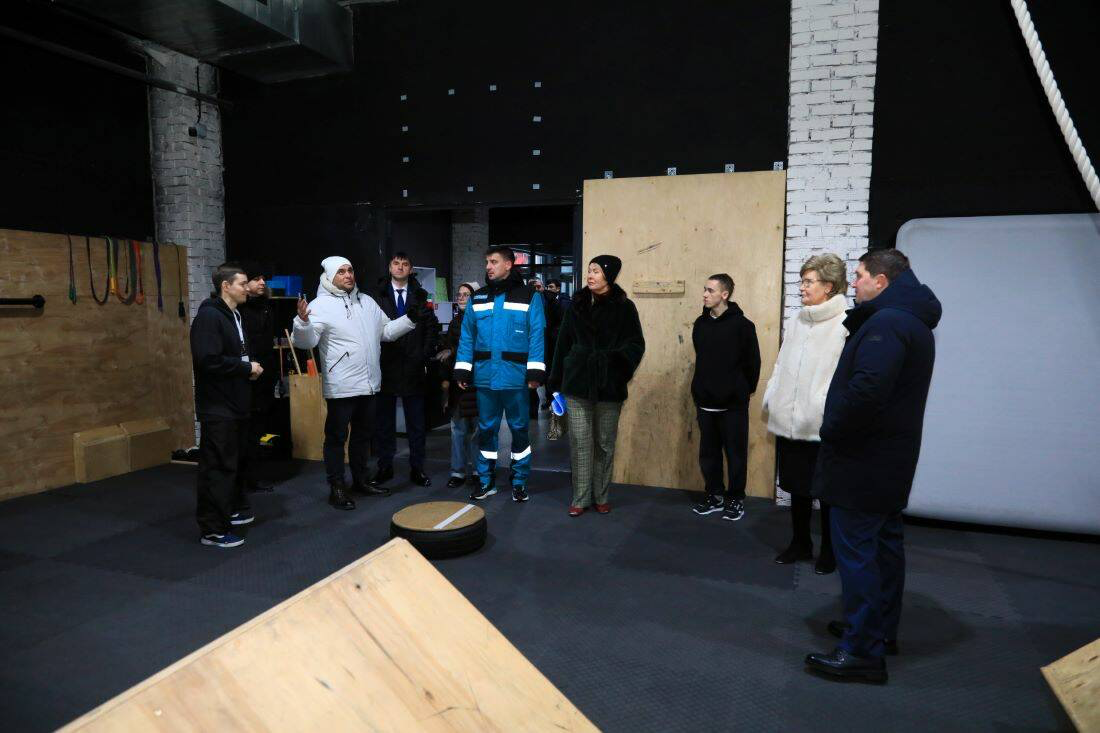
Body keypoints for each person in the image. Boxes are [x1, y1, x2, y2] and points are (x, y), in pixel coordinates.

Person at [804, 248, 941, 684]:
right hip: (888, 460)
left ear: (881, 281)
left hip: (863, 461)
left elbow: (866, 392)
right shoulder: (910, 321)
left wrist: (832, 429)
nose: (855, 283)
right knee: (884, 547)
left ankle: (862, 651)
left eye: (860, 275)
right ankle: (877, 630)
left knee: (858, 553)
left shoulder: (887, 324)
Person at [291, 256, 425, 510]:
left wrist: (410, 319)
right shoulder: (320, 305)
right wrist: (303, 323)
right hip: (341, 386)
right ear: (329, 277)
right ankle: (337, 487)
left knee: (363, 438)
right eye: (341, 272)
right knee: (336, 438)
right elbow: (305, 342)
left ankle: (360, 480)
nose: (348, 275)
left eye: (350, 270)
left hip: (369, 384)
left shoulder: (367, 302)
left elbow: (386, 332)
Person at [761, 253, 848, 574]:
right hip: (789, 418)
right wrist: (773, 395)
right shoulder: (798, 320)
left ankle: (830, 550)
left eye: (808, 282)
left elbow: (844, 377)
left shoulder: (844, 323)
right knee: (796, 485)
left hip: (820, 423)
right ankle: (800, 543)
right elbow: (781, 363)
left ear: (829, 286)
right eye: (802, 281)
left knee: (826, 491)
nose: (802, 288)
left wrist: (825, 406)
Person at [549, 255, 645, 516]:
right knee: (580, 442)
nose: (590, 275)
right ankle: (580, 498)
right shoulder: (577, 304)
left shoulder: (625, 307)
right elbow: (562, 344)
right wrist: (556, 382)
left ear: (609, 275)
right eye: (589, 270)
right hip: (577, 383)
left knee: (604, 444)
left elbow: (636, 345)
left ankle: (601, 495)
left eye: (596, 271)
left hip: (609, 386)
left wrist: (615, 366)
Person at [454, 246, 546, 502]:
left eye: (493, 262)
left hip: (516, 378)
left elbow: (537, 336)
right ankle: (486, 481)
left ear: (508, 264)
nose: (488, 267)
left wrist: (535, 372)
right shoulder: (478, 297)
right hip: (485, 377)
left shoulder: (529, 296)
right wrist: (463, 370)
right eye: (487, 262)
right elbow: (467, 337)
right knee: (486, 430)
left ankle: (519, 481)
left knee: (520, 429)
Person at [190, 264, 263, 548]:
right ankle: (213, 530)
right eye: (242, 283)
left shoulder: (234, 314)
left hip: (236, 403)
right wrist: (246, 368)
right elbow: (207, 360)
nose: (248, 288)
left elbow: (236, 353)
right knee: (217, 467)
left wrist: (248, 368)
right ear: (226, 286)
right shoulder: (209, 316)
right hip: (218, 406)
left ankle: (229, 510)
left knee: (233, 464)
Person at [690, 273, 761, 522]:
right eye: (705, 289)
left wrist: (740, 390)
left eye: (710, 290)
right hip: (705, 403)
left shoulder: (743, 326)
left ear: (725, 294)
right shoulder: (700, 324)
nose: (705, 294)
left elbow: (753, 364)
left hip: (733, 405)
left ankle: (735, 498)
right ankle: (714, 495)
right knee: (708, 455)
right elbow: (702, 358)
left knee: (736, 455)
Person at [369, 253, 440, 489]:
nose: (400, 267)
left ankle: (417, 468)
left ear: (410, 269)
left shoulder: (421, 295)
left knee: (416, 424)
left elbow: (431, 328)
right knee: (384, 423)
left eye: (405, 264)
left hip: (413, 367)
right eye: (396, 263)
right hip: (385, 366)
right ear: (390, 267)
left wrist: (423, 355)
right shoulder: (376, 296)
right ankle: (385, 467)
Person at [236, 261, 276, 494]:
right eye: (256, 279)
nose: (262, 282)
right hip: (245, 375)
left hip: (264, 375)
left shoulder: (267, 307)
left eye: (263, 279)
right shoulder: (239, 310)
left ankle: (253, 476)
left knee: (259, 427)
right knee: (244, 428)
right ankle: (241, 478)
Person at [437, 282, 481, 488]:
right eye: (459, 294)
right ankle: (457, 471)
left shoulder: (482, 321)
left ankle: (479, 471)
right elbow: (447, 352)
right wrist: (445, 382)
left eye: (466, 294)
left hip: (478, 382)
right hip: (458, 385)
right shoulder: (454, 322)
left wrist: (453, 351)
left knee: (479, 430)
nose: (461, 298)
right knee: (458, 430)